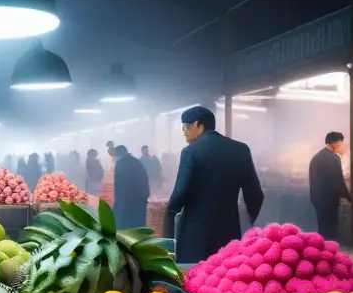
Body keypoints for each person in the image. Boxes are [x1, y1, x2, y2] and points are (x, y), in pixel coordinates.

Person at [166, 106, 264, 264]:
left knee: (194, 281)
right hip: (228, 234)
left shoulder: (191, 152)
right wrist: (251, 219)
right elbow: (255, 195)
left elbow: (180, 192)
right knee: (224, 279)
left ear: (198, 125)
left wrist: (169, 218)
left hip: (194, 236)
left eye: (185, 126)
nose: (184, 132)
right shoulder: (241, 150)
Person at [309, 131, 352, 241]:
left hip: (317, 198)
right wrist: (348, 196)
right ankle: (330, 250)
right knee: (331, 228)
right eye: (341, 143)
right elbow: (337, 181)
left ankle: (320, 249)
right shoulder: (333, 158)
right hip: (329, 199)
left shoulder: (316, 157)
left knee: (322, 225)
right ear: (337, 143)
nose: (342, 146)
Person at [111, 145, 149, 230]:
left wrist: (117, 206)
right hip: (140, 201)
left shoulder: (120, 164)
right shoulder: (137, 162)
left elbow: (119, 187)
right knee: (138, 227)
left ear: (117, 155)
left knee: (124, 227)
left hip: (126, 203)